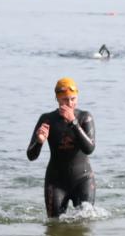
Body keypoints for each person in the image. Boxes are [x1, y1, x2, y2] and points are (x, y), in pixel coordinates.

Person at [26, 77, 96, 218]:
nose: (70, 103)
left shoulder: (85, 118)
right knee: (54, 227)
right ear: (57, 99)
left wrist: (73, 123)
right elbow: (31, 156)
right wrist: (39, 142)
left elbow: (89, 148)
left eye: (73, 99)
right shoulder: (47, 119)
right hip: (56, 182)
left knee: (85, 226)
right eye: (65, 99)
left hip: (83, 179)